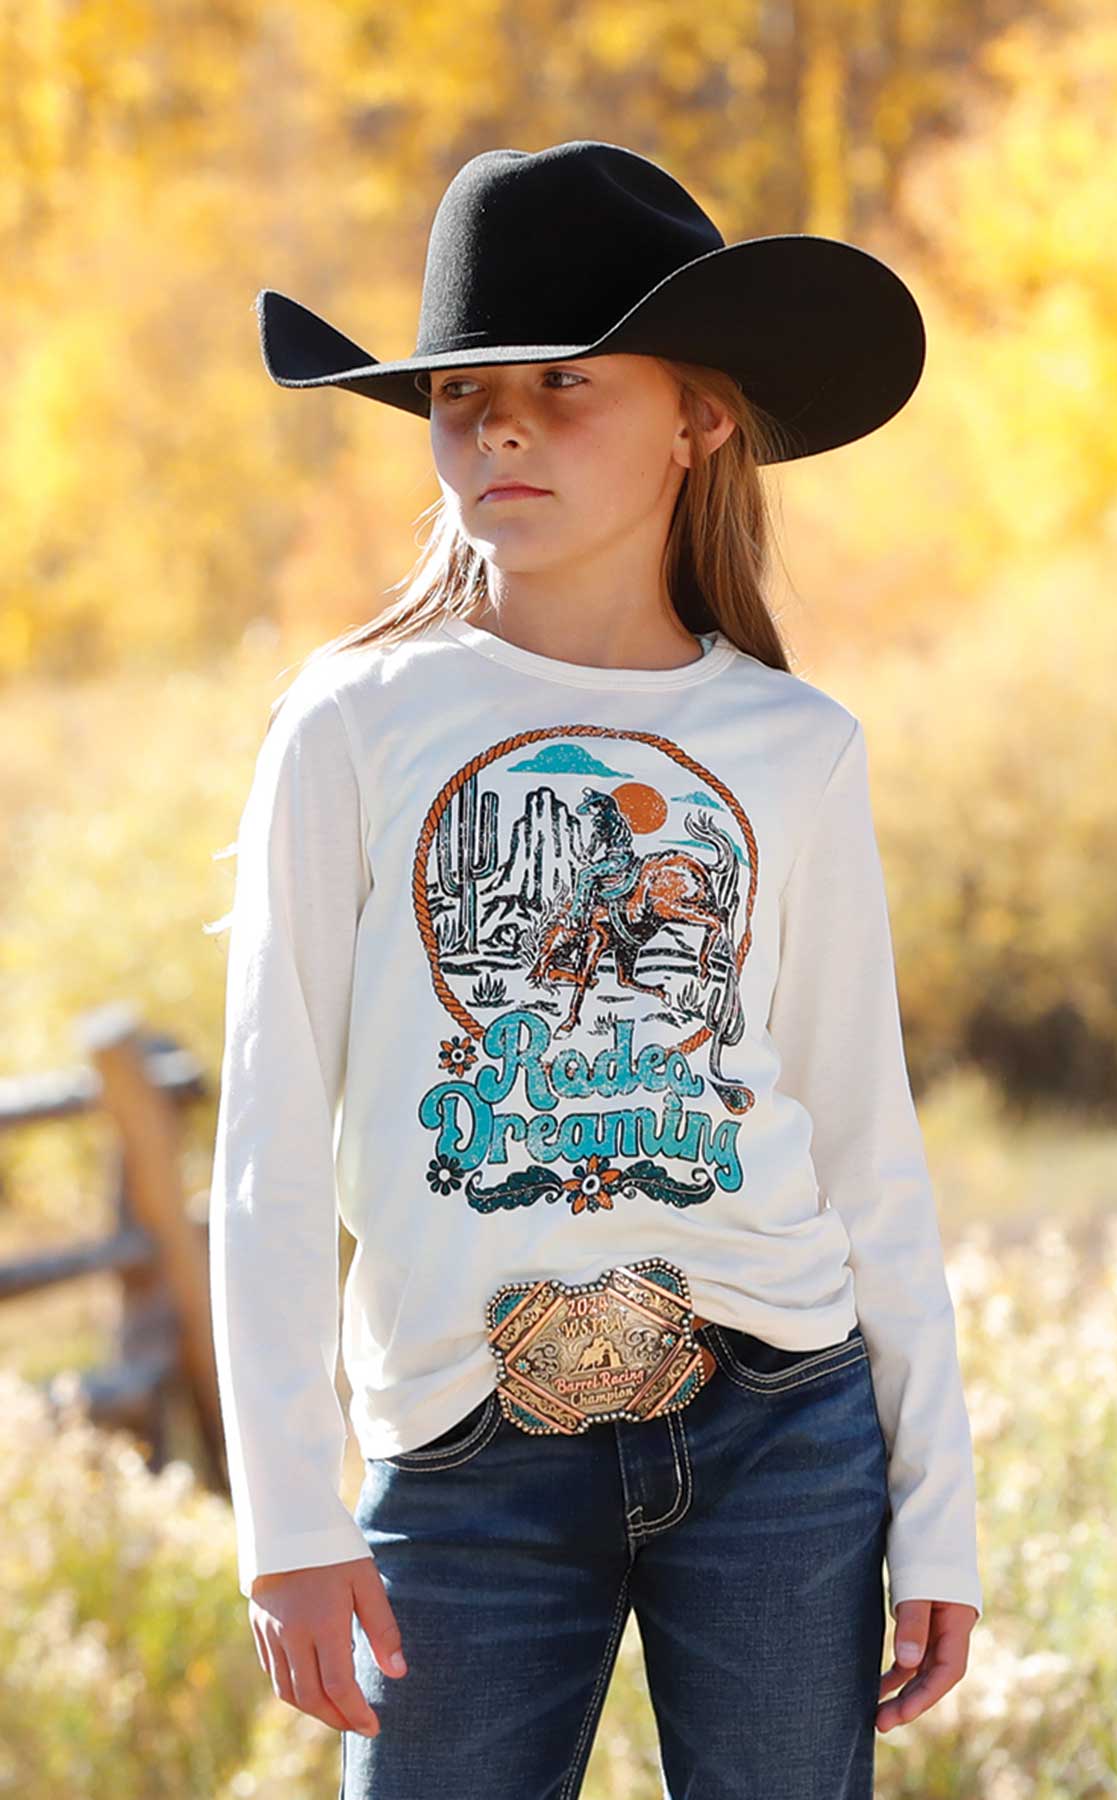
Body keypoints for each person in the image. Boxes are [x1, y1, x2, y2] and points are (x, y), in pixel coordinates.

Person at [209, 139, 983, 1800]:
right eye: (462, 392)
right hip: (462, 1444)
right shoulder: (350, 728)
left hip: (780, 1417)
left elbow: (862, 1142)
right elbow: (270, 1143)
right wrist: (285, 1517)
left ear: (699, 416)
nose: (500, 426)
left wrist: (941, 1516)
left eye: (566, 384)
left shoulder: (795, 747)